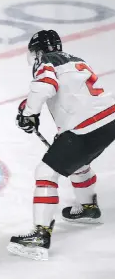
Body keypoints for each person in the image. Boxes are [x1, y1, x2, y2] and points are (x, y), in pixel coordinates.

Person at [7, 30, 115, 261]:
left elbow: (45, 86)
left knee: (46, 172)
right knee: (78, 161)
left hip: (86, 126)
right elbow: (71, 93)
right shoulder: (75, 60)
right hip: (109, 120)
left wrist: (29, 114)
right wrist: (29, 108)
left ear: (37, 51)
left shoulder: (45, 63)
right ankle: (88, 207)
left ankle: (39, 235)